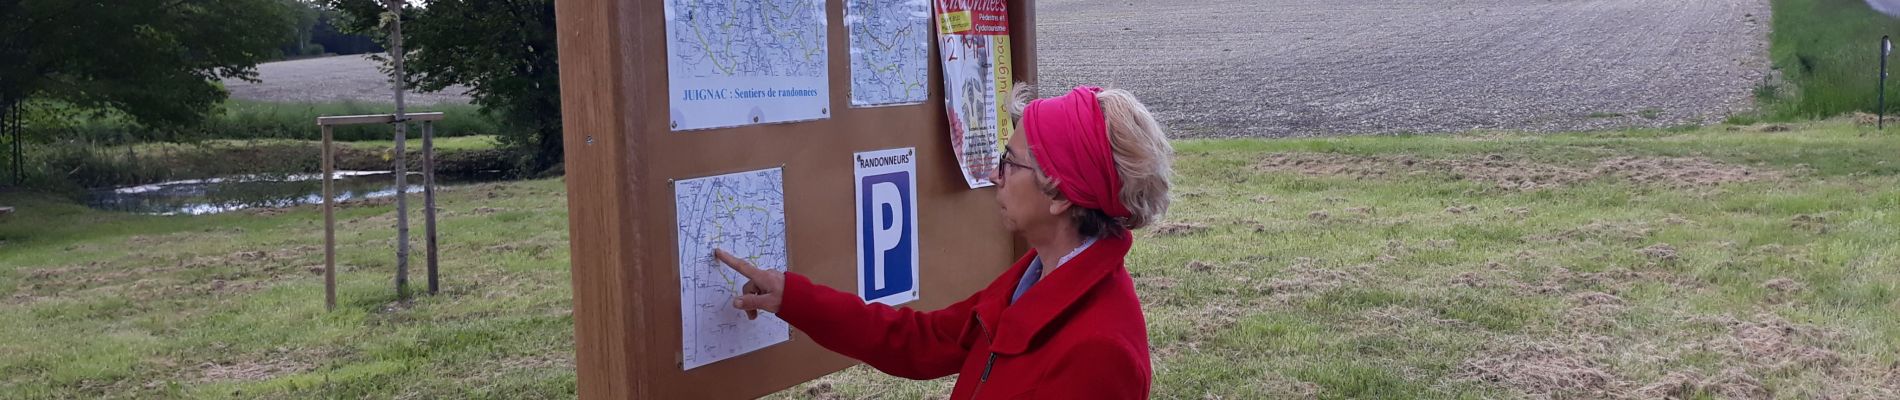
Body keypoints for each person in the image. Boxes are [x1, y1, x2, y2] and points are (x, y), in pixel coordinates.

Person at [715, 85, 1174, 399]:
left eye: (1010, 162)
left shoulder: (1101, 352)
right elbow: (925, 341)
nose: (996, 175)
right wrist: (792, 297)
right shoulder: (1039, 273)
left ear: (1059, 194)